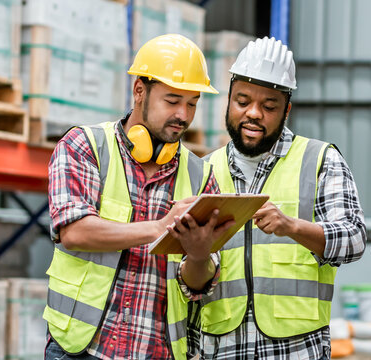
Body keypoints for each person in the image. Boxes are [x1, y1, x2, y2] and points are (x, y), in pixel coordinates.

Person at [44, 34, 233, 360]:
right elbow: (73, 232)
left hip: (157, 352)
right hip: (80, 349)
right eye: (172, 101)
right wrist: (161, 227)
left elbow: (199, 286)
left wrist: (200, 255)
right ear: (139, 91)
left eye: (192, 103)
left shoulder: (201, 177)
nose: (184, 116)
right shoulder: (85, 147)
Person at [198, 37, 367, 359]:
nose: (253, 114)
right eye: (242, 101)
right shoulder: (204, 170)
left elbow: (354, 240)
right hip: (221, 347)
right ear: (229, 100)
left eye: (269, 106)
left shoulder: (319, 160)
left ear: (286, 110)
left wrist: (292, 227)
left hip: (296, 349)